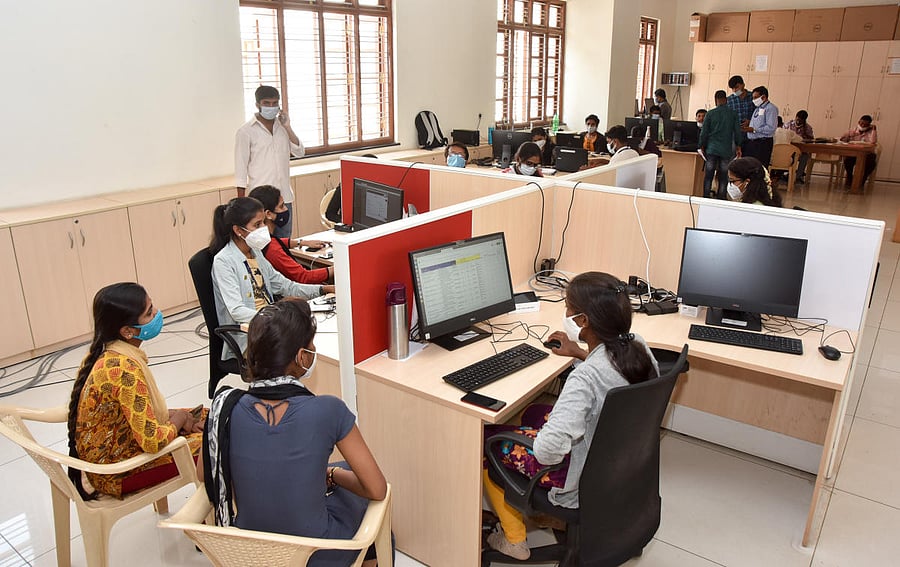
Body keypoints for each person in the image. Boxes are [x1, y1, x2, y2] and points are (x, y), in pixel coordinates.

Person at [482, 272, 659, 561]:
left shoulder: (585, 379)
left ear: (584, 321)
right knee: (534, 412)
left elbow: (548, 452)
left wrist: (546, 431)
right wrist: (578, 352)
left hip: (577, 477)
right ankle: (549, 518)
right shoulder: (637, 345)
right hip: (618, 461)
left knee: (487, 437)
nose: (565, 313)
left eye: (568, 308)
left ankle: (513, 539)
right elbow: (609, 375)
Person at [201, 298, 388, 567]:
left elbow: (204, 474)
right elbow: (377, 489)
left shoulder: (223, 409)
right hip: (316, 555)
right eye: (311, 346)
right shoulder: (329, 409)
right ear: (302, 357)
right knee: (370, 515)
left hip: (250, 553)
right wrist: (331, 475)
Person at [67, 283, 204, 499]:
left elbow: (131, 415)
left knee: (208, 415)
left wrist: (181, 418)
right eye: (149, 313)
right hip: (118, 473)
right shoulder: (125, 371)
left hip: (121, 446)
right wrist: (178, 420)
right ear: (128, 331)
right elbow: (152, 441)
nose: (157, 314)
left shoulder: (106, 354)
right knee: (215, 444)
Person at [209, 197, 331, 359]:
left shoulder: (255, 252)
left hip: (270, 325)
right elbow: (237, 311)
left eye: (263, 223)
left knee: (312, 337)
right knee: (302, 350)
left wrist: (323, 289)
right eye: (257, 225)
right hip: (249, 336)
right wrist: (275, 319)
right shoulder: (223, 261)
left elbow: (286, 286)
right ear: (238, 230)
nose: (264, 228)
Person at [235, 85, 305, 239]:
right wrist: (241, 205)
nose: (271, 107)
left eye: (275, 103)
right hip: (260, 201)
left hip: (284, 199)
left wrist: (288, 126)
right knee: (262, 245)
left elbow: (299, 152)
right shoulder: (246, 132)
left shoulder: (282, 128)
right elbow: (240, 169)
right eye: (267, 103)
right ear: (257, 105)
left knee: (284, 243)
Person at [248, 185, 333, 284]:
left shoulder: (257, 240)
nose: (285, 209)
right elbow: (304, 277)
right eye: (281, 206)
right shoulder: (273, 249)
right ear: (268, 214)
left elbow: (276, 242)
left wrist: (301, 243)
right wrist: (336, 268)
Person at [699, 90, 742, 199]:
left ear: (715, 100)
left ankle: (706, 196)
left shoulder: (710, 113)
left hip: (712, 149)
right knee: (723, 176)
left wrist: (701, 145)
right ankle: (721, 197)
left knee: (709, 175)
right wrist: (738, 146)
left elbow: (704, 133)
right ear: (726, 100)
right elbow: (737, 131)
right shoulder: (733, 114)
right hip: (726, 149)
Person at [741, 86, 778, 168]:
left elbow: (771, 128)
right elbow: (760, 123)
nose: (753, 100)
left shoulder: (771, 108)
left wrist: (753, 129)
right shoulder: (758, 108)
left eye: (755, 98)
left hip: (762, 143)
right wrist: (750, 123)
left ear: (763, 97)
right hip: (752, 142)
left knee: (760, 168)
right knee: (748, 167)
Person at [839, 115, 879, 187]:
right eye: (861, 123)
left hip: (867, 154)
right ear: (858, 122)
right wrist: (847, 138)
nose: (862, 125)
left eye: (865, 124)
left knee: (871, 163)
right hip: (854, 153)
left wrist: (874, 130)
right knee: (847, 160)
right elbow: (842, 138)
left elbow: (873, 142)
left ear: (869, 125)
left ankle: (862, 179)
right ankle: (850, 177)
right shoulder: (853, 130)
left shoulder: (870, 132)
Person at [786, 110, 814, 184]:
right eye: (797, 119)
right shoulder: (789, 125)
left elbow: (811, 139)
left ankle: (798, 176)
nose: (798, 122)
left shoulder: (807, 128)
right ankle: (784, 175)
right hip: (789, 149)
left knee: (805, 157)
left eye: (800, 120)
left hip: (801, 150)